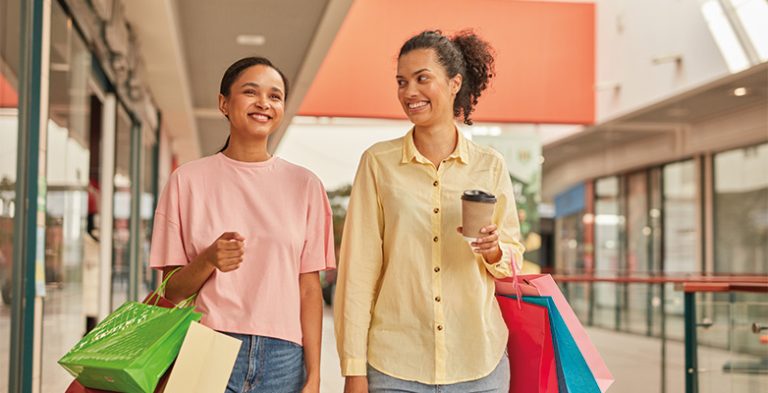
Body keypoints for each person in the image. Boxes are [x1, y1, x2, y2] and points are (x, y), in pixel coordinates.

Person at [333, 30, 525, 393]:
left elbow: (513, 258)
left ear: (454, 83)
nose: (409, 92)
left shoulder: (489, 165)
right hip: (395, 366)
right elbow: (358, 272)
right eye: (401, 82)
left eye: (422, 79)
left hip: (479, 364)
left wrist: (494, 250)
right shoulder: (378, 163)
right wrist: (353, 369)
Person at [149, 56, 335, 393]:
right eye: (251, 92)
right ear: (224, 103)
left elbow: (309, 290)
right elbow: (170, 292)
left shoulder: (306, 185)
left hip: (284, 357)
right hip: (205, 344)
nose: (264, 102)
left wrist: (315, 375)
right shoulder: (187, 181)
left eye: (275, 96)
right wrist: (208, 259)